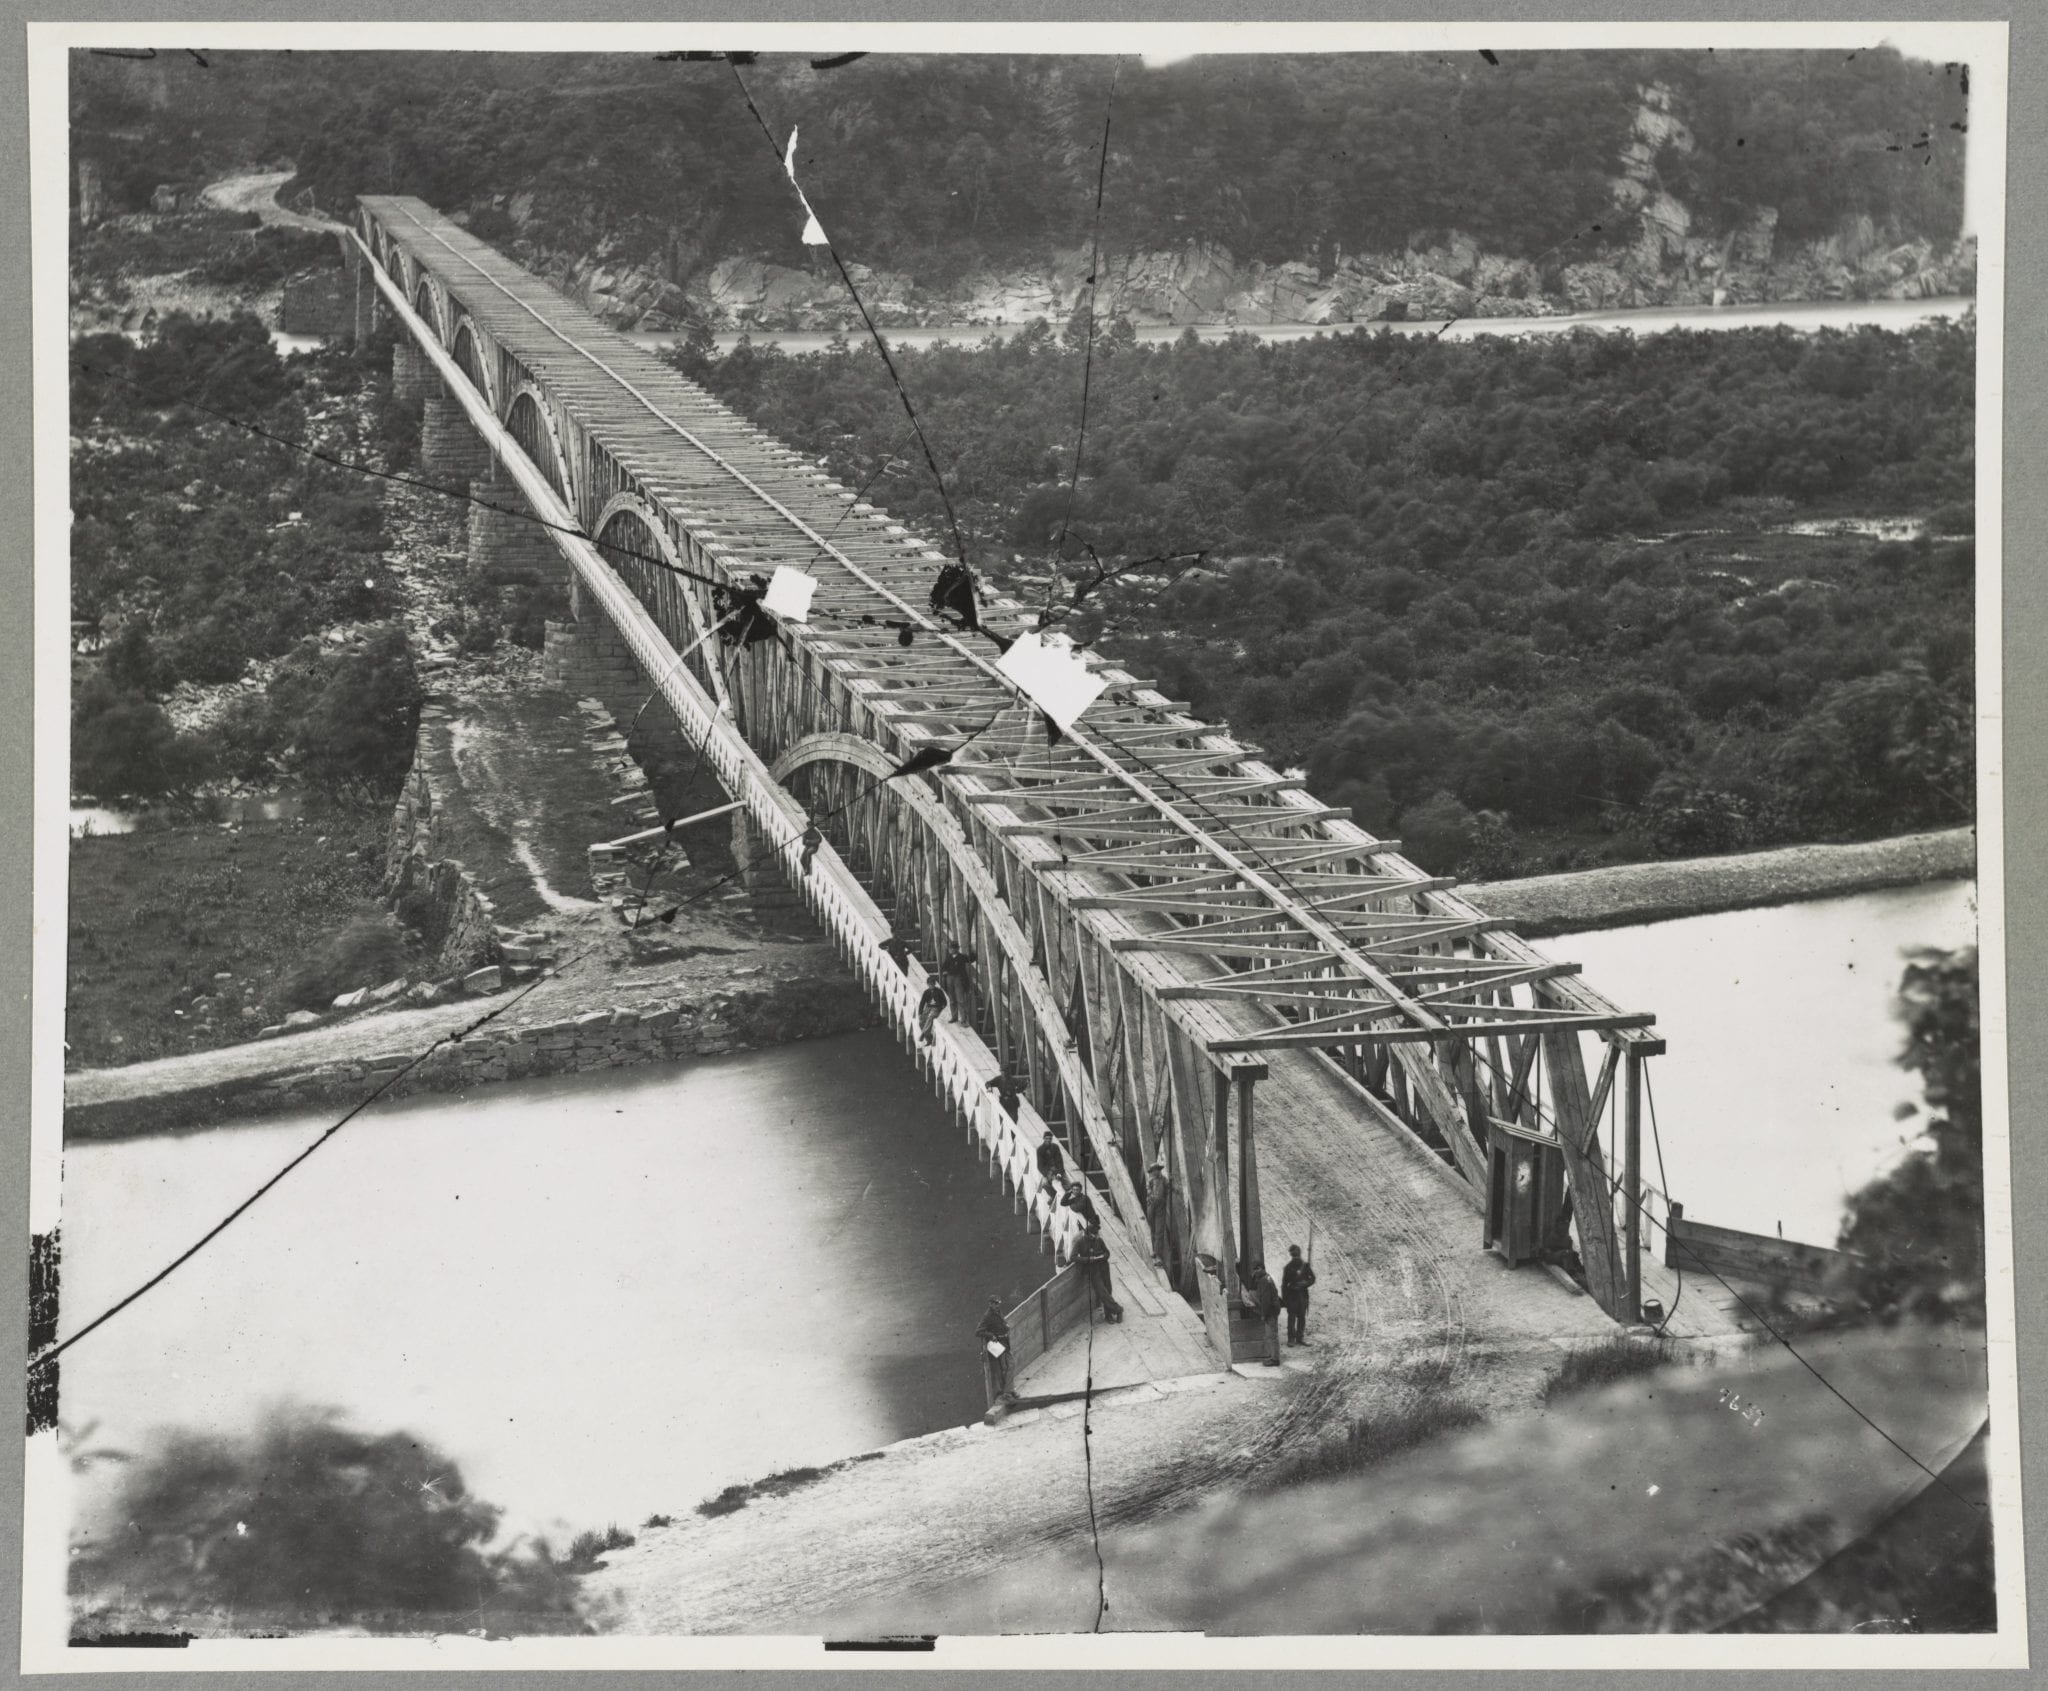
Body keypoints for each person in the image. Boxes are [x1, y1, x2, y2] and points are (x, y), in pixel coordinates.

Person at [1075, 1226, 1123, 1323]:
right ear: (1087, 1235)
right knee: (1102, 1292)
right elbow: (1073, 1257)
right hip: (1093, 1270)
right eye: (1093, 1236)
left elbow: (1107, 1253)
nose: (1095, 1237)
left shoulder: (1099, 1240)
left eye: (1095, 1235)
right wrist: (1087, 1260)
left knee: (1108, 1289)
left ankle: (1108, 1315)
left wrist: (1102, 1257)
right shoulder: (1080, 1242)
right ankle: (1118, 1310)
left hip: (1104, 1267)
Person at [976, 1295, 1014, 1402]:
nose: (998, 1305)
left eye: (998, 1303)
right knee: (1004, 1368)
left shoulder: (998, 1312)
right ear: (990, 1304)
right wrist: (991, 1335)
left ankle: (1009, 1390)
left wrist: (1006, 1326)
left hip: (1005, 1343)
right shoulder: (987, 1316)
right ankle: (1007, 1392)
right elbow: (978, 1331)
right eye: (995, 1303)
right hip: (998, 1345)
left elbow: (1002, 1323)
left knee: (1011, 1365)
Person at [1245, 1261, 1283, 1365]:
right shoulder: (1267, 1277)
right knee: (1272, 1334)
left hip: (1270, 1310)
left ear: (1262, 1268)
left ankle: (1275, 1359)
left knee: (1272, 1335)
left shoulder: (1264, 1281)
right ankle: (1274, 1357)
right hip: (1273, 1309)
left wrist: (1263, 1314)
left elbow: (1266, 1300)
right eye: (1254, 1270)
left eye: (1257, 1269)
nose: (1255, 1272)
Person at [1280, 1243, 1318, 1346]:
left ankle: (1300, 1338)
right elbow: (1284, 1284)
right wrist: (1285, 1300)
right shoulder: (1287, 1268)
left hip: (1302, 1295)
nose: (1296, 1257)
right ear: (1291, 1255)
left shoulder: (1305, 1266)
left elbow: (1312, 1278)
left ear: (1300, 1254)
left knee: (1301, 1317)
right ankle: (1291, 1339)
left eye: (1297, 1255)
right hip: (1292, 1296)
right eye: (1294, 1255)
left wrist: (1305, 1283)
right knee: (1291, 1318)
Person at [1143, 1161, 1172, 1267]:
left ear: (1159, 1171)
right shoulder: (1151, 1181)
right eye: (1153, 1171)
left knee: (1159, 1230)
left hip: (1160, 1206)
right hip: (1151, 1205)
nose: (1155, 1173)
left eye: (1157, 1170)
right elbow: (1149, 1190)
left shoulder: (1164, 1180)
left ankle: (1157, 1254)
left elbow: (1169, 1189)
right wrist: (1150, 1197)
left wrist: (1170, 1184)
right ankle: (1154, 1250)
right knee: (1153, 1228)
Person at [941, 946, 977, 1023]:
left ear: (956, 949)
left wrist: (973, 951)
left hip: (958, 979)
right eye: (950, 948)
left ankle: (963, 1019)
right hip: (950, 979)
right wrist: (944, 972)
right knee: (952, 999)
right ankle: (954, 1017)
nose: (950, 949)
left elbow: (971, 959)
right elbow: (943, 967)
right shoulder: (949, 957)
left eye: (952, 948)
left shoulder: (961, 957)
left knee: (960, 1000)